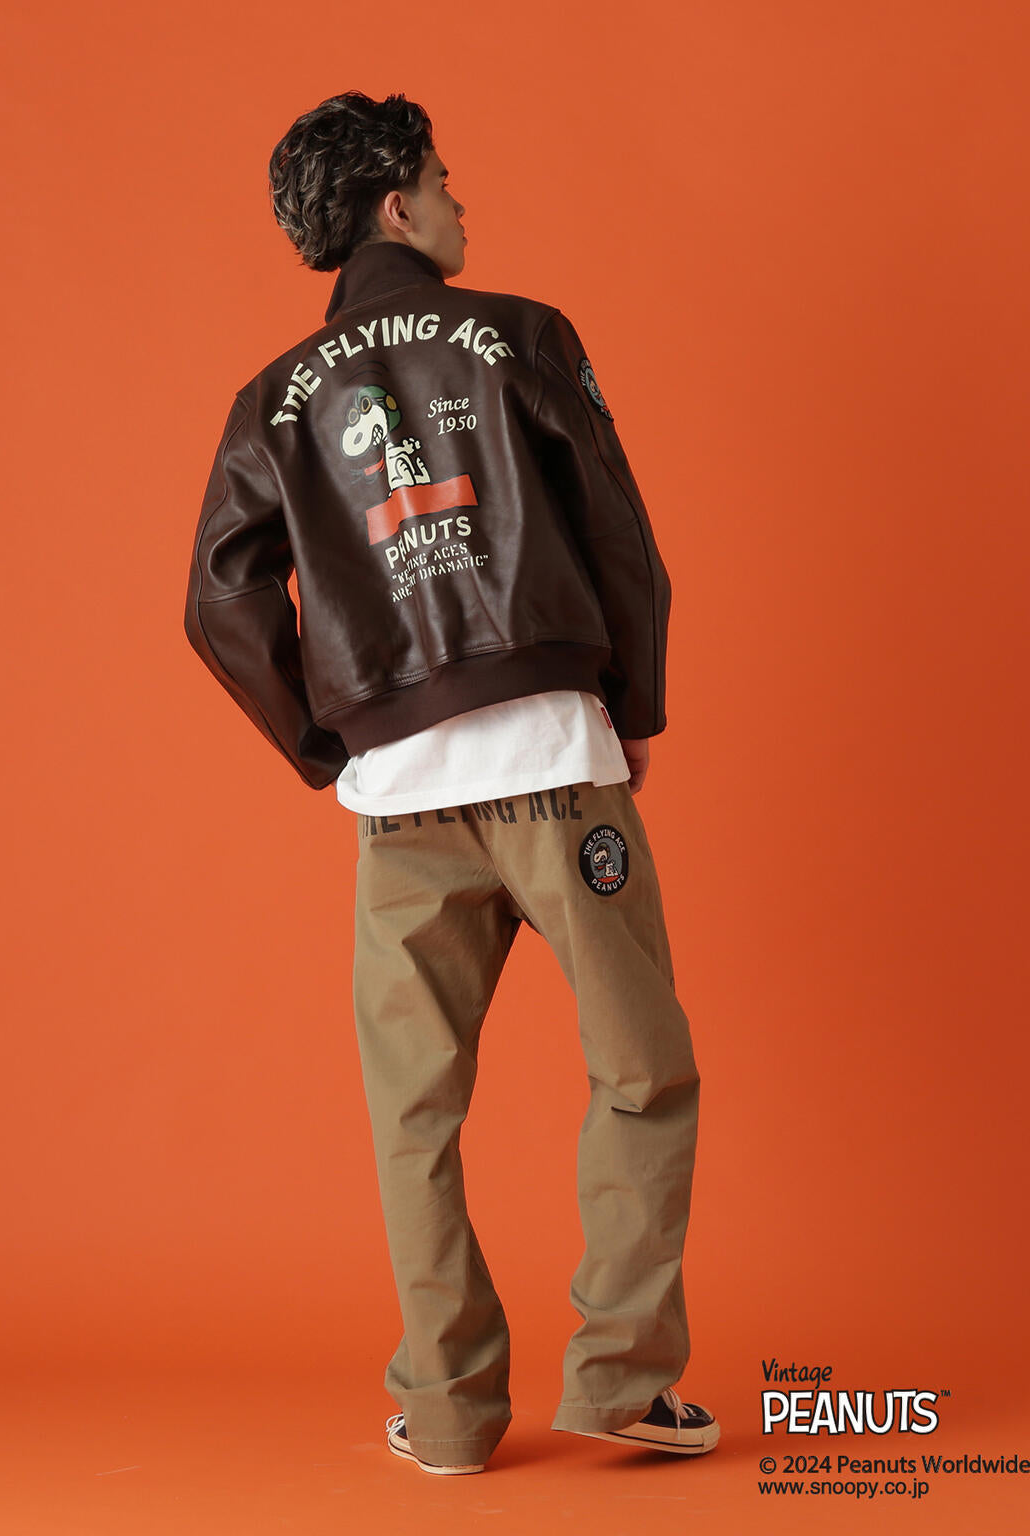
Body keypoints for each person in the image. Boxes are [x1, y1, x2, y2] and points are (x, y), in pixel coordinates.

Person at [183, 90, 717, 1475]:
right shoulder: (522, 336)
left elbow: (219, 602)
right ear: (397, 205)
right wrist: (632, 707)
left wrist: (333, 744)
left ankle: (448, 1413)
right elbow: (618, 531)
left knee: (414, 1115)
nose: (459, 202)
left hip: (401, 804)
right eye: (443, 179)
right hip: (555, 769)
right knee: (642, 1072)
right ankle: (622, 1380)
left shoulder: (270, 402)